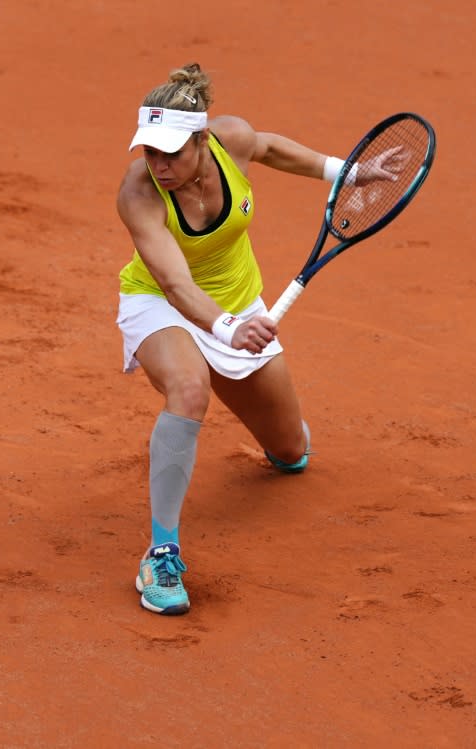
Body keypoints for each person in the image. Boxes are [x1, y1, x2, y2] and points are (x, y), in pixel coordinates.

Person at [116, 63, 404, 615]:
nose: (159, 165)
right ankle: (162, 551)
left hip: (238, 303)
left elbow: (271, 148)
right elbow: (175, 284)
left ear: (203, 140)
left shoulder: (233, 140)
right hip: (161, 306)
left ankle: (280, 430)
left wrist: (351, 172)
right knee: (189, 388)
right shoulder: (138, 191)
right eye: (149, 151)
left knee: (291, 452)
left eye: (171, 152)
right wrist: (227, 328)